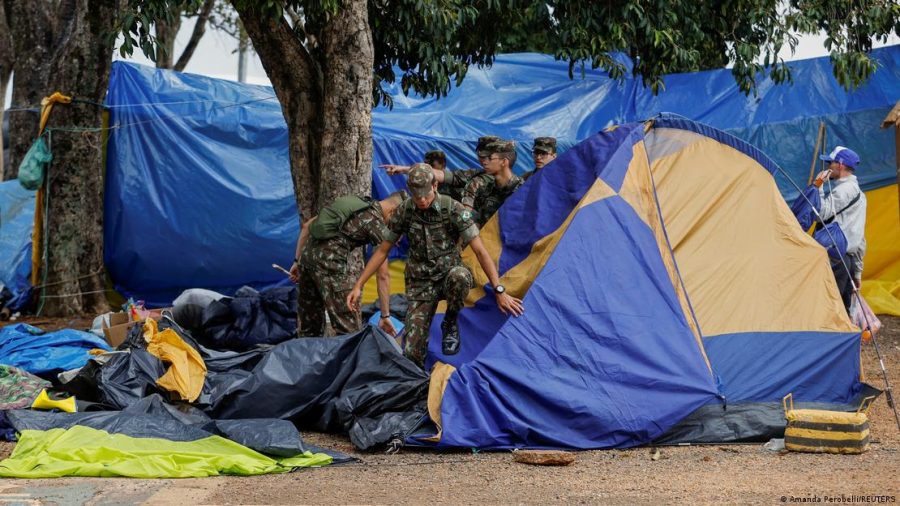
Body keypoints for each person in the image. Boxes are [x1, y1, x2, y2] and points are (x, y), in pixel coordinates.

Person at [346, 164, 524, 368]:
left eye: (426, 194)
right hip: (421, 284)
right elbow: (382, 250)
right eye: (416, 195)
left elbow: (481, 251)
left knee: (460, 276)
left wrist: (499, 289)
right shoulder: (404, 211)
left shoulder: (453, 209)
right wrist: (359, 285)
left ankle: (450, 320)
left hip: (448, 276)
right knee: (411, 352)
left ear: (435, 186)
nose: (422, 200)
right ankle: (415, 389)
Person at [289, 192, 407, 337]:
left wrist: (296, 261)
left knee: (308, 329)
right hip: (329, 266)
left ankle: (306, 358)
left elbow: (307, 226)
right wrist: (385, 316)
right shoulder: (375, 222)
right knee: (349, 331)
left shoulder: (356, 203)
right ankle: (348, 359)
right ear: (393, 211)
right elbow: (383, 275)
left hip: (306, 260)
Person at [814, 145, 867, 314]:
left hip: (835, 257)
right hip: (847, 260)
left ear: (841, 165)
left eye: (831, 162)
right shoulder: (859, 193)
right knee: (842, 309)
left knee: (828, 306)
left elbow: (821, 213)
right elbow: (860, 238)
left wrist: (819, 186)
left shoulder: (844, 190)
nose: (829, 166)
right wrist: (857, 271)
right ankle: (846, 339)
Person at [380, 136, 501, 201]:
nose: (483, 160)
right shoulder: (473, 175)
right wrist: (403, 169)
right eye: (481, 155)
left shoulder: (515, 186)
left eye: (489, 156)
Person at [461, 140, 523, 227]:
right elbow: (474, 217)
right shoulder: (486, 189)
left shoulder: (522, 192)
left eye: (490, 158)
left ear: (504, 162)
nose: (485, 162)